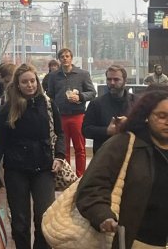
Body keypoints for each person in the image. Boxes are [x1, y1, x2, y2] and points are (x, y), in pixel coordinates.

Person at [76, 88, 168, 249]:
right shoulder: (123, 145)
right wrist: (102, 215)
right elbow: (92, 187)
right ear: (146, 116)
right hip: (136, 240)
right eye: (161, 116)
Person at [0, 64, 65, 249]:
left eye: (33, 81)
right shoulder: (8, 109)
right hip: (16, 170)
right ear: (18, 84)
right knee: (20, 220)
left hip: (44, 167)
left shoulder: (48, 104)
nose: (30, 85)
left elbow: (60, 133)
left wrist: (60, 156)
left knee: (44, 216)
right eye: (25, 82)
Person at [46, 47, 96, 176]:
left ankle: (80, 176)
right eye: (62, 57)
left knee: (80, 148)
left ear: (71, 58)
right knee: (64, 148)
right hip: (60, 116)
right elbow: (50, 94)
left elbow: (92, 92)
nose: (65, 59)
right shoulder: (53, 76)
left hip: (78, 115)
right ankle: (67, 176)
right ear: (59, 59)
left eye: (67, 56)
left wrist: (80, 97)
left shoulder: (82, 74)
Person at [82, 65, 135, 154]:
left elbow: (146, 128)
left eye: (116, 79)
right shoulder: (96, 104)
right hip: (104, 156)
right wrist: (106, 131)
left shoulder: (136, 102)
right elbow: (86, 130)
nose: (112, 83)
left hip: (131, 154)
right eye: (109, 79)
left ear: (125, 81)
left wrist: (129, 124)